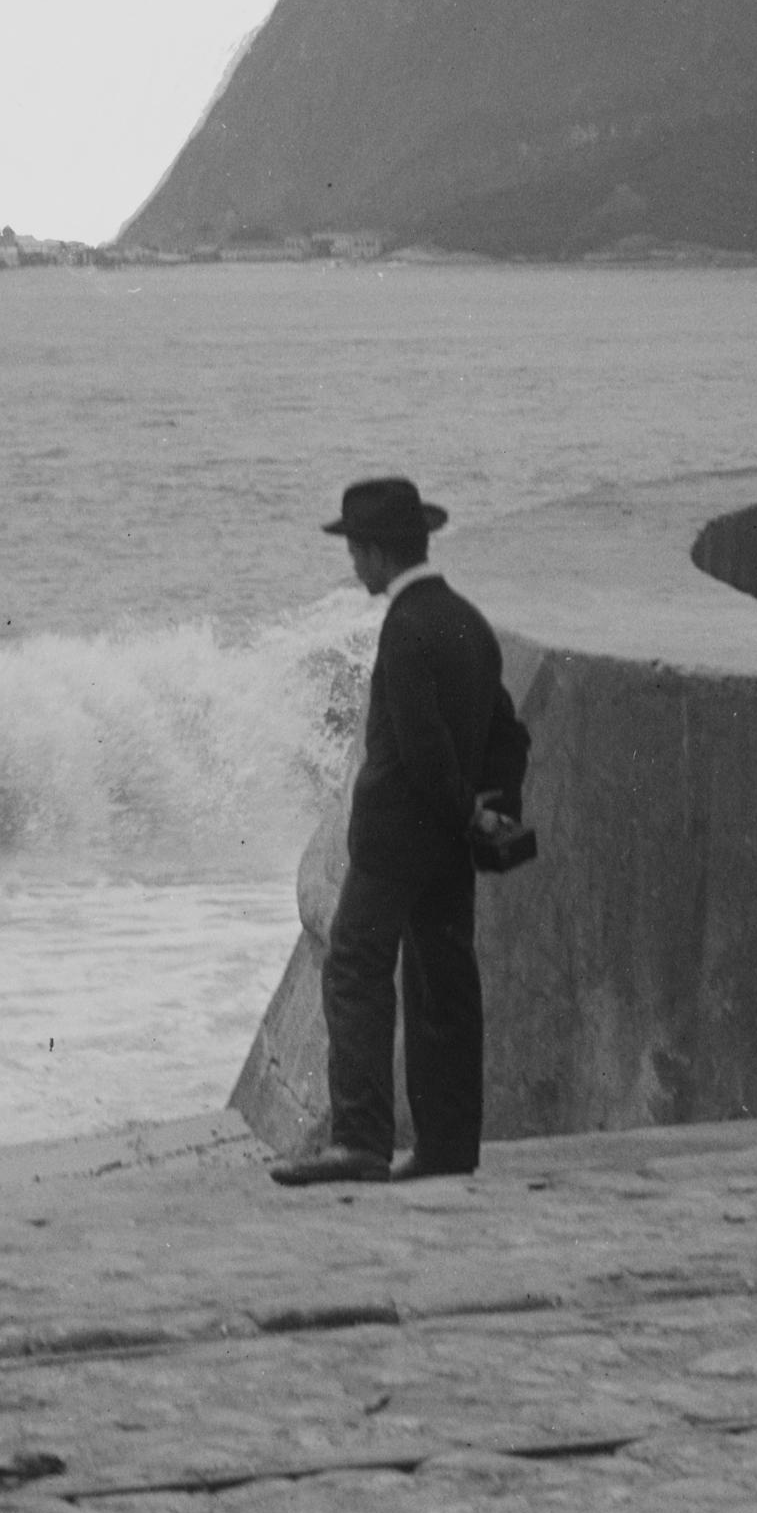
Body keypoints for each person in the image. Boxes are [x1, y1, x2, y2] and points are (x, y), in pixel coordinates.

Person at [273, 474, 530, 1189]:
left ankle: (359, 1139)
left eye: (356, 552)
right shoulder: (465, 621)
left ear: (380, 553)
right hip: (446, 845)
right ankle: (449, 1144)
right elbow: (508, 731)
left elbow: (418, 749)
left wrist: (461, 808)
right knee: (442, 982)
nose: (353, 566)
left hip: (395, 840)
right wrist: (492, 808)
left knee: (355, 968)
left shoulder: (405, 626)